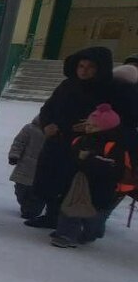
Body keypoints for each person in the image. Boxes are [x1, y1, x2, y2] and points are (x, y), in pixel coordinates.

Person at [27, 47, 118, 228]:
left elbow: (112, 118)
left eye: (90, 66)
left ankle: (70, 224)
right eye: (81, 66)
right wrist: (47, 125)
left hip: (84, 145)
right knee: (50, 179)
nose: (84, 70)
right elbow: (48, 108)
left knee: (74, 184)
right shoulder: (67, 85)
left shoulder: (108, 90)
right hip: (56, 141)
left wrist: (94, 127)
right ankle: (51, 216)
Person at [50, 104, 127, 248]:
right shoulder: (81, 140)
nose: (89, 128)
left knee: (94, 216)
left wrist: (88, 159)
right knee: (71, 208)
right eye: (89, 125)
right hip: (78, 183)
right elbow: (71, 158)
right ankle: (66, 234)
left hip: (101, 188)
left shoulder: (114, 147)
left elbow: (114, 169)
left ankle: (91, 232)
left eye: (95, 126)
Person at [9, 117, 47, 219]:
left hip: (44, 168)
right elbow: (19, 142)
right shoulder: (30, 129)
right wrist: (14, 155)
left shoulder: (56, 132)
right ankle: (25, 205)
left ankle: (32, 210)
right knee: (20, 189)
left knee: (37, 192)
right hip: (25, 165)